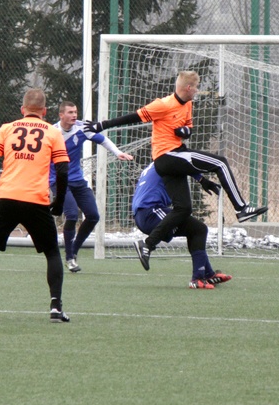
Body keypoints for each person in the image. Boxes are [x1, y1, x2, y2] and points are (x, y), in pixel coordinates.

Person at [84, 70, 267, 271]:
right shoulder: (162, 104)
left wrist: (198, 171)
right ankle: (241, 208)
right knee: (221, 163)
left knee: (183, 209)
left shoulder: (188, 104)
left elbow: (188, 127)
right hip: (166, 157)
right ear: (188, 88)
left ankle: (148, 245)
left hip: (176, 158)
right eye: (195, 87)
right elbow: (133, 117)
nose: (197, 91)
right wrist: (101, 125)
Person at [0, 89, 71, 322]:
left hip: (6, 197)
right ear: (44, 111)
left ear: (22, 110)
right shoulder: (52, 132)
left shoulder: (7, 128)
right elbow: (62, 169)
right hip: (36, 200)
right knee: (52, 252)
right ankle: (55, 308)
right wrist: (59, 201)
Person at [51, 100, 133, 273]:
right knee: (72, 215)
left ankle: (73, 251)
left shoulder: (82, 128)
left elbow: (102, 139)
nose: (74, 115)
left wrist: (118, 152)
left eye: (75, 112)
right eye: (70, 112)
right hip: (57, 180)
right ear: (61, 115)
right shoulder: (51, 132)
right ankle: (69, 258)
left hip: (77, 180)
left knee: (93, 216)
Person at [132, 161, 231, 289]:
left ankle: (207, 274)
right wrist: (204, 177)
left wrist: (201, 179)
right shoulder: (167, 161)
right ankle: (147, 245)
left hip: (145, 212)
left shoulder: (159, 163)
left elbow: (184, 166)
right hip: (150, 212)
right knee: (197, 228)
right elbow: (186, 164)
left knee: (197, 230)